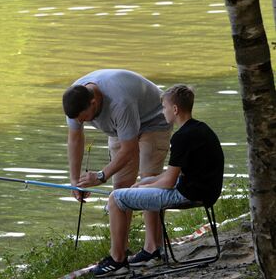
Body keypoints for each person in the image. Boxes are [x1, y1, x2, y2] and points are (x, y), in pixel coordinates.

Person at [88, 84, 225, 277]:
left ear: (175, 109)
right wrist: (145, 183)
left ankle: (117, 260)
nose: (163, 112)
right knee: (145, 182)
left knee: (116, 198)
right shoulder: (201, 129)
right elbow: (174, 174)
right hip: (206, 191)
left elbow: (169, 182)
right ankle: (149, 250)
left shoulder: (181, 138)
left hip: (189, 195)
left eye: (164, 108)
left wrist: (144, 187)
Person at [62, 69, 172, 267]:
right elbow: (75, 138)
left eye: (84, 119)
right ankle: (119, 254)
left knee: (149, 183)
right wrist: (75, 180)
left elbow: (129, 149)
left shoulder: (120, 102)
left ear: (94, 103)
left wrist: (101, 176)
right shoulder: (75, 101)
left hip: (153, 121)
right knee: (120, 190)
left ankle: (153, 247)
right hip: (119, 127)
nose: (81, 123)